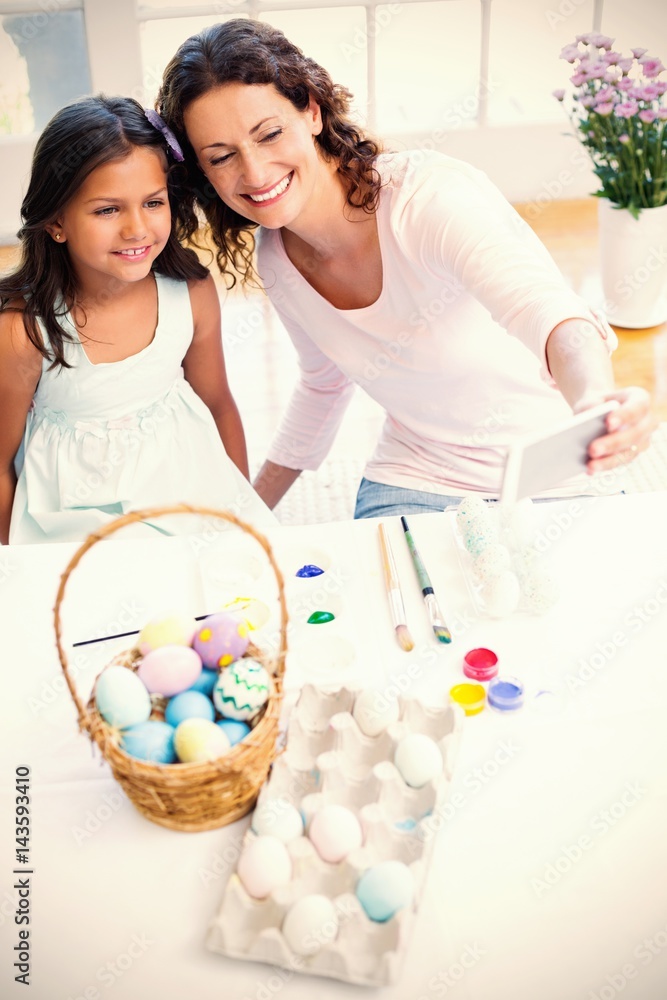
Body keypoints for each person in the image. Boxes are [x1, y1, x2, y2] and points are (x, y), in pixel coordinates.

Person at [157, 19, 654, 519]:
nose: (255, 173)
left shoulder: (425, 200)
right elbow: (323, 383)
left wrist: (592, 400)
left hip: (549, 467)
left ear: (310, 109)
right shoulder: (276, 257)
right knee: (399, 595)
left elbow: (546, 310)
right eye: (222, 157)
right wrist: (247, 513)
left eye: (269, 134)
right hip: (414, 476)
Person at [0, 95, 274, 544]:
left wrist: (239, 520)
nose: (137, 229)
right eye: (108, 210)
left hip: (186, 500)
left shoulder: (191, 293)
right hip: (73, 529)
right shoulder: (24, 331)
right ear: (56, 222)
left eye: (153, 202)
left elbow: (219, 404)